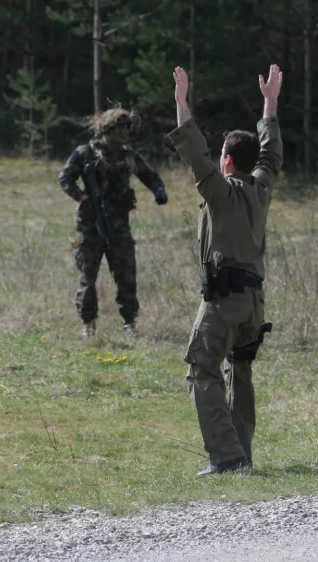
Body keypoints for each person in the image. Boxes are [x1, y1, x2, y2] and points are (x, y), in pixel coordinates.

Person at [169, 65, 282, 476]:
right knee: (241, 369)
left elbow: (193, 152)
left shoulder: (221, 190)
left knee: (202, 366)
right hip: (254, 303)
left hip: (224, 301)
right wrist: (269, 102)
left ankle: (227, 455)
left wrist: (182, 103)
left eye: (221, 157)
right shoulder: (262, 188)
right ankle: (242, 453)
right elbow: (271, 154)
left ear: (228, 160)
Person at [58, 108, 169, 337]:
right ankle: (88, 324)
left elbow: (149, 175)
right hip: (89, 226)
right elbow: (65, 177)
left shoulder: (128, 155)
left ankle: (129, 322)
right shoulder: (85, 153)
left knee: (126, 275)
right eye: (118, 131)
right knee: (88, 278)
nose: (123, 136)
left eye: (125, 131)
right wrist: (81, 196)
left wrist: (159, 190)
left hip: (119, 225)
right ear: (107, 130)